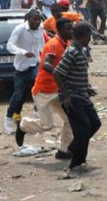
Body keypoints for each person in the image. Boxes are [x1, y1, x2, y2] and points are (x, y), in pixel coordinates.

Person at [16, 17, 74, 159]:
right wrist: (58, 73)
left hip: (57, 89)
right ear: (59, 30)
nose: (71, 31)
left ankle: (63, 150)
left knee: (69, 120)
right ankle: (23, 125)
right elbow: (47, 64)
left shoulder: (66, 43)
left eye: (72, 28)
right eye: (68, 28)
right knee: (47, 125)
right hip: (43, 91)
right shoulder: (53, 44)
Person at [54, 22, 101, 174]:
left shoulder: (81, 51)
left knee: (95, 123)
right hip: (72, 98)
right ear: (84, 35)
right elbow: (57, 73)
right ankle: (76, 163)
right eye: (89, 35)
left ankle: (73, 148)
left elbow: (76, 73)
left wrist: (87, 89)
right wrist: (66, 96)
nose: (91, 37)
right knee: (83, 130)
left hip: (81, 95)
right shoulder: (72, 52)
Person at [4, 9, 45, 133]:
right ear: (29, 19)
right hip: (21, 67)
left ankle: (37, 110)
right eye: (35, 19)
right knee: (18, 96)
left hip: (35, 63)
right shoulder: (20, 29)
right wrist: (23, 52)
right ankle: (8, 117)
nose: (38, 22)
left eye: (39, 19)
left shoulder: (40, 28)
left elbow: (41, 44)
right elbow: (10, 45)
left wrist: (43, 57)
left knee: (40, 83)